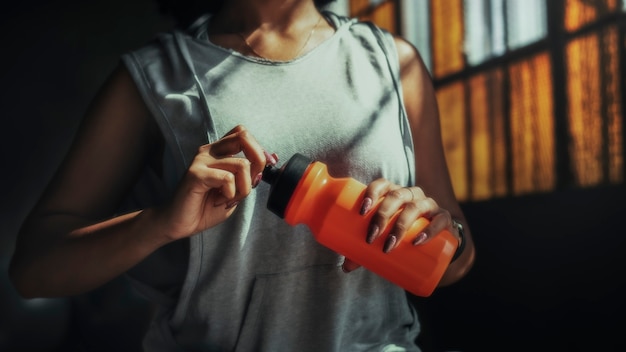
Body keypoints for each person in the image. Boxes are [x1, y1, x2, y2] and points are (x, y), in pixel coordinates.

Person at [9, 0, 475, 350]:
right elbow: (33, 271)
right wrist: (160, 223)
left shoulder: (393, 61)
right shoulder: (156, 78)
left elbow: (454, 259)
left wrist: (440, 229)